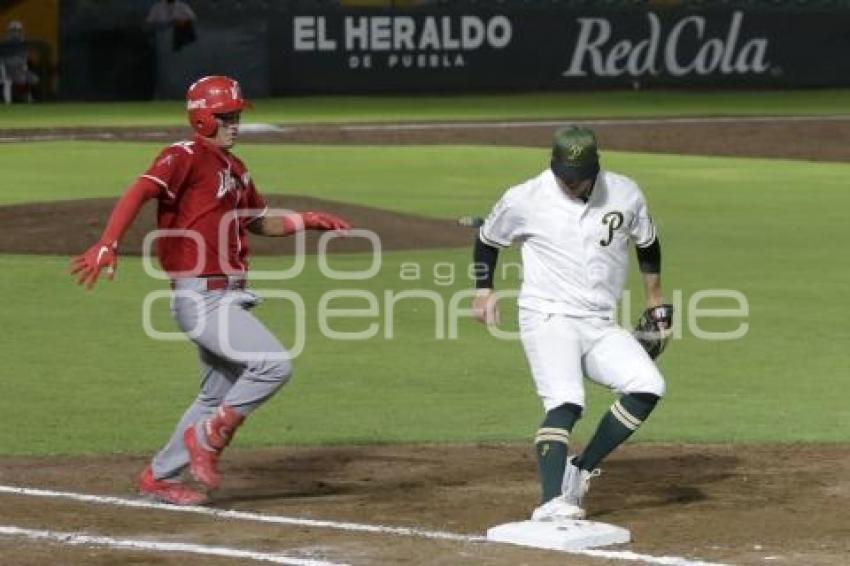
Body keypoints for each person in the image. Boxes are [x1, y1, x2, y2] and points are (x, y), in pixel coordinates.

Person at [71, 75, 351, 506]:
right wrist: (108, 242)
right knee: (273, 365)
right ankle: (207, 439)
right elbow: (141, 189)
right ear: (202, 118)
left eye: (237, 116)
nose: (235, 124)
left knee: (215, 395)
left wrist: (308, 220)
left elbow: (259, 221)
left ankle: (159, 476)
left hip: (227, 296)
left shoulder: (235, 169)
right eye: (226, 116)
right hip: (201, 298)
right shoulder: (183, 156)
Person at [471, 125, 672, 521]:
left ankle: (578, 471)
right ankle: (550, 501)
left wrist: (654, 297)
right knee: (566, 401)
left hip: (599, 322)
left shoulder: (625, 192)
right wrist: (484, 289)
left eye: (578, 177)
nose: (571, 183)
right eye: (564, 175)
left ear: (596, 167)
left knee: (649, 386)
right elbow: (488, 239)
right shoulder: (525, 197)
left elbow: (647, 243)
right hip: (547, 315)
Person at [1, 20, 39, 103]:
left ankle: (28, 97)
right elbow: (3, 61)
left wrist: (24, 68)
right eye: (13, 31)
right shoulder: (4, 45)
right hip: (6, 72)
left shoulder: (23, 45)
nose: (15, 33)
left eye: (17, 31)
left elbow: (24, 61)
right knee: (9, 81)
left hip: (20, 71)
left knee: (34, 79)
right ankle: (8, 102)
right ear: (9, 32)